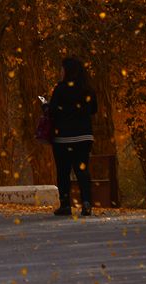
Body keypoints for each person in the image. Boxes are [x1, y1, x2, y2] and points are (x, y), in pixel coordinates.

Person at [48, 57, 98, 216]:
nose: (60, 72)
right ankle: (86, 202)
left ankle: (65, 205)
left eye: (62, 69)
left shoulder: (60, 89)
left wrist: (45, 107)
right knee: (82, 170)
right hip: (84, 136)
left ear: (67, 71)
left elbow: (52, 112)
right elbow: (93, 109)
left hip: (63, 137)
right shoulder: (88, 89)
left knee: (63, 171)